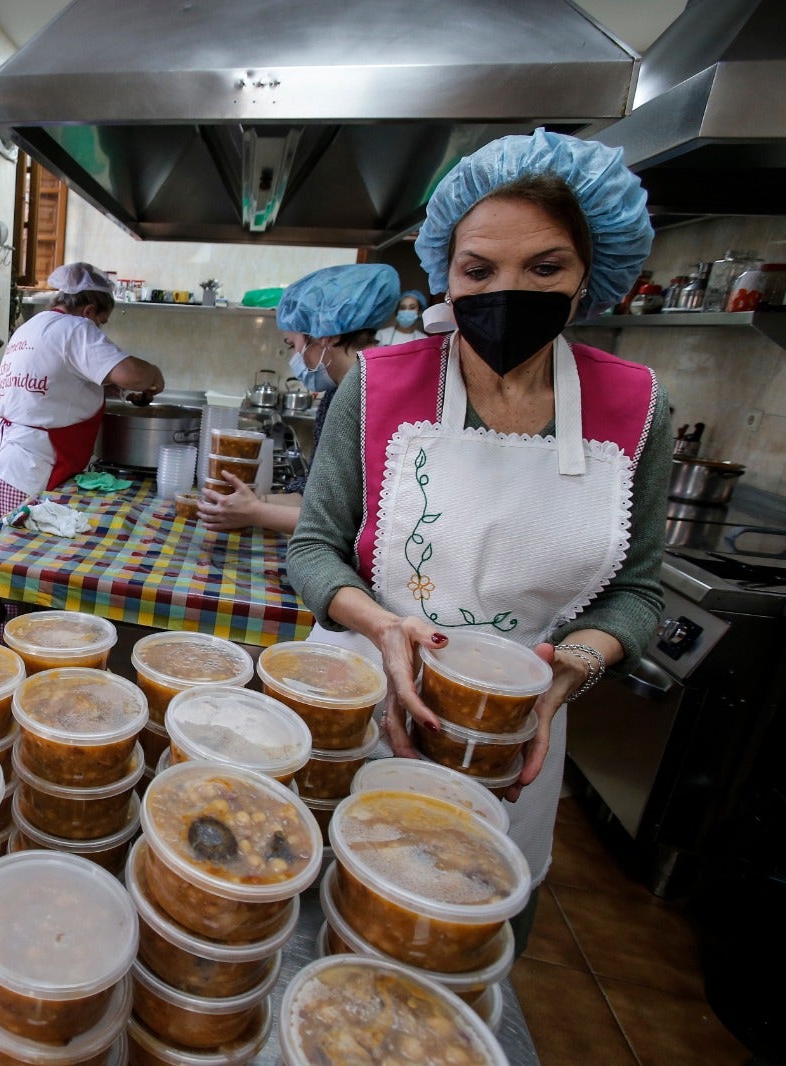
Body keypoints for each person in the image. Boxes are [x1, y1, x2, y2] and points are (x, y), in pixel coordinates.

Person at [286, 129, 669, 938]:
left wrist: (571, 667)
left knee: (461, 930)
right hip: (364, 702)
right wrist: (383, 626)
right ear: (446, 273)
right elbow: (314, 548)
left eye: (545, 267)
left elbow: (638, 591)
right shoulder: (380, 388)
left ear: (588, 275)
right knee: (334, 921)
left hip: (514, 732)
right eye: (479, 270)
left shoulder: (635, 408)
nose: (508, 290)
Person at [198, 263, 398, 535]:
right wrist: (252, 503)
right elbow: (316, 496)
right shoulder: (339, 391)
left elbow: (356, 522)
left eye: (293, 345)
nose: (296, 358)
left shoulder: (379, 394)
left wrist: (256, 512)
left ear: (327, 335)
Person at [0, 262, 164, 533]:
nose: (99, 329)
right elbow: (130, 374)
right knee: (13, 562)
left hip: (0, 466)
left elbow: (55, 388)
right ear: (88, 311)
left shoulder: (34, 326)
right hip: (28, 474)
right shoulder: (76, 327)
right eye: (101, 321)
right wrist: (155, 375)